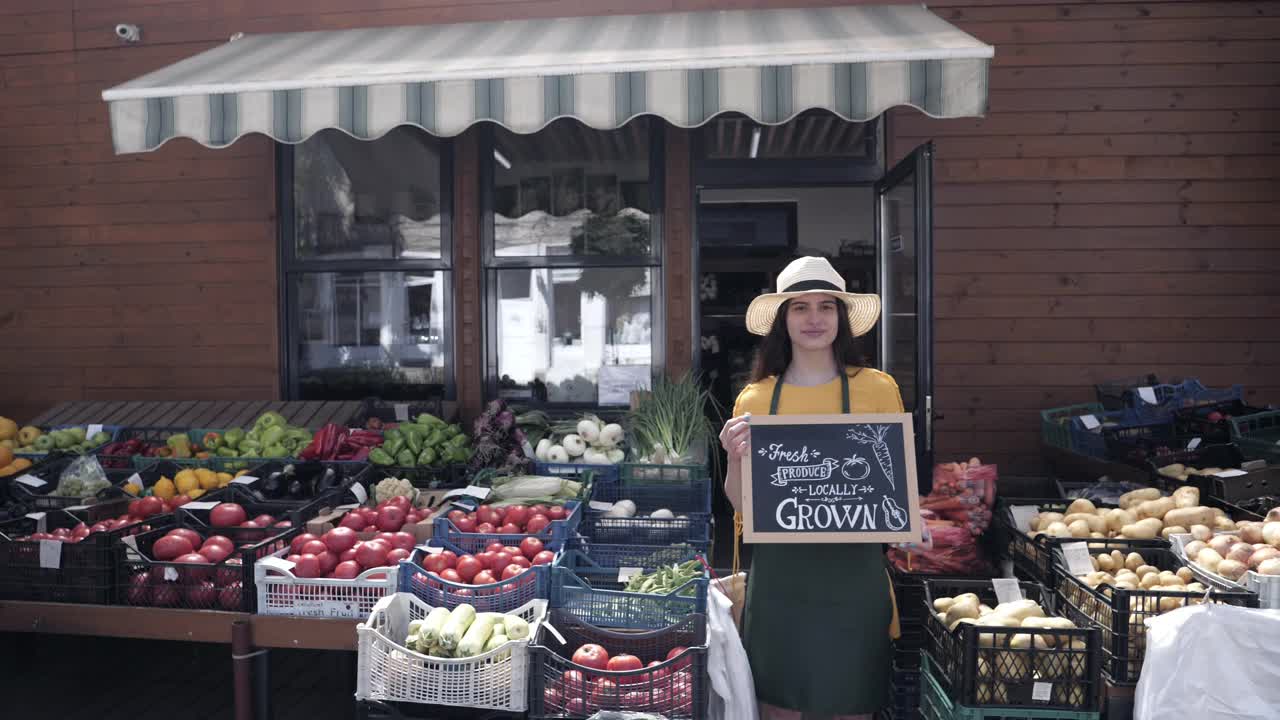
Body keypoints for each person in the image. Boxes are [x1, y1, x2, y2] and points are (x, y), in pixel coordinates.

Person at [719, 256, 903, 720]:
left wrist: (908, 525)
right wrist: (734, 458)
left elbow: (895, 494)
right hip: (781, 583)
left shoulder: (879, 390)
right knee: (778, 709)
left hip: (854, 580)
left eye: (826, 306)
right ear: (784, 320)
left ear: (842, 318)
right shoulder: (755, 398)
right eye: (800, 307)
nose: (815, 318)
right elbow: (743, 505)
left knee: (853, 704)